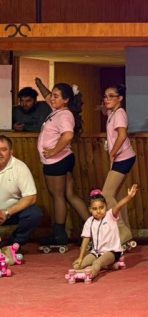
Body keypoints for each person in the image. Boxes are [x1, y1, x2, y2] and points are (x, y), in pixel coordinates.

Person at [38, 83, 88, 247]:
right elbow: (47, 96)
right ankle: (94, 230)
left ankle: (59, 235)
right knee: (69, 195)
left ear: (66, 100)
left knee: (58, 196)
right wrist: (39, 83)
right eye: (52, 95)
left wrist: (53, 151)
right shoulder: (57, 111)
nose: (52, 98)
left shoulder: (65, 115)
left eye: (56, 96)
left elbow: (67, 136)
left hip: (57, 161)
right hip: (60, 159)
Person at [72, 185, 138, 281]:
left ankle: (90, 274)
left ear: (106, 207)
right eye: (95, 209)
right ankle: (108, 266)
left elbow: (119, 205)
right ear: (90, 209)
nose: (98, 211)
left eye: (101, 207)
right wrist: (80, 258)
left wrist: (129, 196)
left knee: (97, 263)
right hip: (96, 253)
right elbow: (85, 241)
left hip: (112, 252)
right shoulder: (89, 222)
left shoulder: (110, 215)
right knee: (77, 265)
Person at [101, 84, 136, 248]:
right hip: (121, 158)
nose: (107, 99)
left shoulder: (120, 113)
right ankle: (125, 231)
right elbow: (104, 109)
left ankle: (122, 230)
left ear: (120, 98)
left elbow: (122, 135)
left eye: (111, 96)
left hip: (123, 158)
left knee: (106, 194)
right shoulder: (112, 112)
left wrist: (112, 153)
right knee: (119, 195)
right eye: (105, 96)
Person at [0, 135, 43, 261]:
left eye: (4, 149)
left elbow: (31, 197)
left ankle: (12, 245)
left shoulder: (20, 167)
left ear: (11, 152)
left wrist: (6, 212)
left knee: (34, 214)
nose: (0, 153)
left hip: (10, 213)